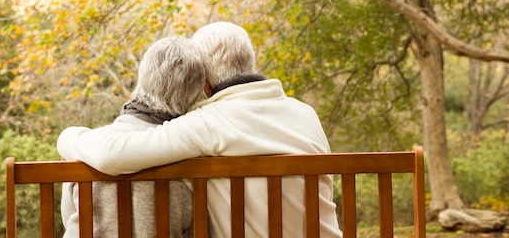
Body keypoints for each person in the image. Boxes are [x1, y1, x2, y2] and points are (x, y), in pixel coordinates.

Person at [58, 22, 343, 238]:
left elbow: (111, 157)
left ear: (204, 85)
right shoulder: (306, 115)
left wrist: (69, 136)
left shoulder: (208, 122)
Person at [60, 36, 206, 238]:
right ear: (196, 92)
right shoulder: (195, 159)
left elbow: (68, 217)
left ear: (143, 75)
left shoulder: (85, 149)